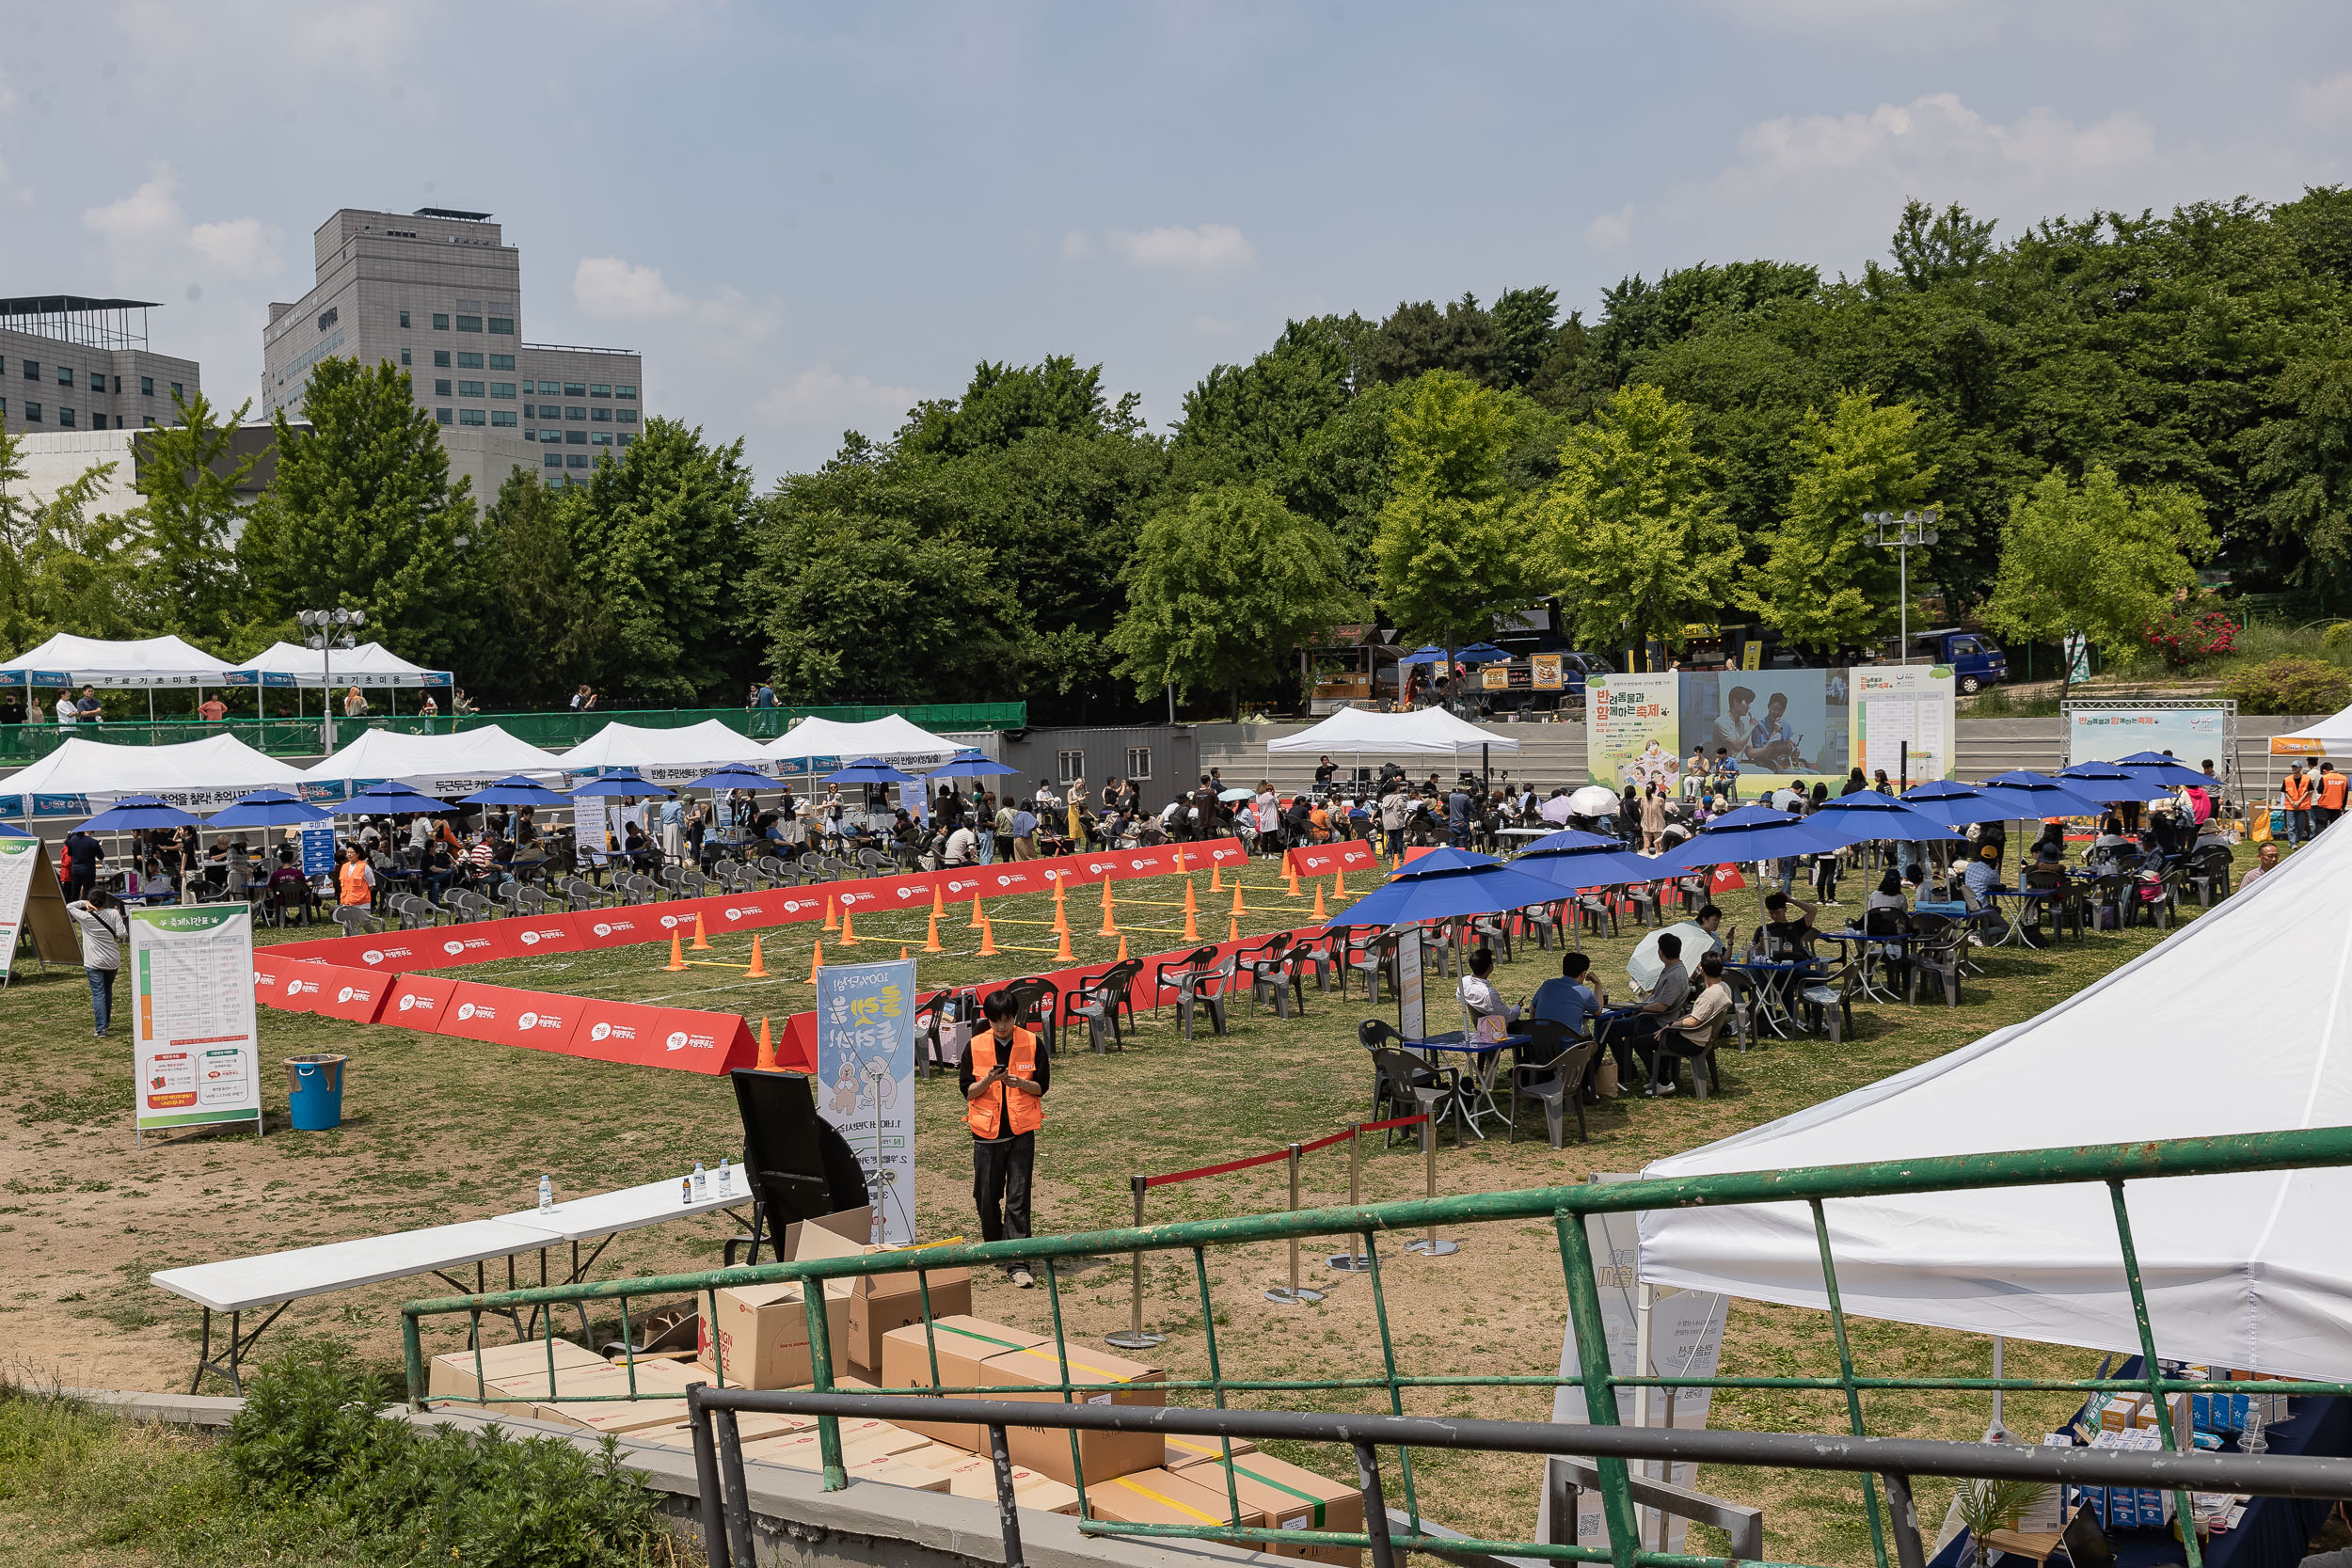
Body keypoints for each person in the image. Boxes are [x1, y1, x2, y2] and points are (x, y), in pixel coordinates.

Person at [962, 989, 1048, 1288]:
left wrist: (1020, 1082)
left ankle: (1018, 1262)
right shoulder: (974, 1046)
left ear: (1016, 1017)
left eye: (1008, 1019)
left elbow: (1042, 1087)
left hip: (1022, 1133)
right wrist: (988, 1080)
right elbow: (967, 1092)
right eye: (997, 1021)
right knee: (985, 1197)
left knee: (1018, 1199)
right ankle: (996, 1245)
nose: (1002, 1026)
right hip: (986, 1135)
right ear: (988, 1019)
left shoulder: (1032, 1042)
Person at [1651, 952, 1732, 1097]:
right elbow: (1697, 1016)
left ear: (1701, 968)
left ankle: (1663, 1082)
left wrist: (1670, 1025)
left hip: (1693, 1041)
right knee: (1661, 1034)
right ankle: (1666, 1077)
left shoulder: (1708, 996)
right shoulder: (1725, 987)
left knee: (1643, 1041)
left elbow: (1693, 1021)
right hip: (1707, 1038)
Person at [66, 889, 126, 1037]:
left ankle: (101, 1028)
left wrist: (84, 903)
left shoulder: (85, 916)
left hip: (93, 961)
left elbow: (69, 906)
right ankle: (106, 1023)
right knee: (107, 991)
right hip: (112, 960)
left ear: (90, 901)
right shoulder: (113, 913)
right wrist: (117, 913)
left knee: (98, 994)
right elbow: (121, 934)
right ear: (105, 900)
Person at [1530, 951, 1603, 1037]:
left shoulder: (1547, 985)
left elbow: (1532, 1009)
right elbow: (1598, 1011)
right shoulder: (1584, 992)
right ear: (1583, 974)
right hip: (1568, 1048)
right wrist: (1598, 984)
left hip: (1541, 1046)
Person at [1456, 947, 1520, 1036]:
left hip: (1482, 1028)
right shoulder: (1489, 994)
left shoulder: (1464, 981)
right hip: (1498, 1032)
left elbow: (1459, 996)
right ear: (1490, 967)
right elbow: (1509, 1017)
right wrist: (1518, 1007)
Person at [1961, 842, 2003, 909]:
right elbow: (1997, 886)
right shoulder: (1991, 873)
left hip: (1968, 902)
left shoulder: (1969, 866)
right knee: (1997, 910)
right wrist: (1997, 869)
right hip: (1982, 904)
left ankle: (1981, 919)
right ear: (1994, 859)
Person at [2283, 762, 2313, 847]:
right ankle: (2292, 842)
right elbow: (2285, 792)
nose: (2294, 769)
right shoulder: (2287, 779)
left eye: (2296, 767)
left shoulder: (2306, 779)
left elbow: (2308, 791)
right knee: (2291, 826)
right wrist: (2292, 802)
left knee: (2300, 826)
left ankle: (2296, 841)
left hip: (2302, 806)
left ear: (2300, 768)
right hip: (2290, 806)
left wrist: (2299, 801)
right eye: (2293, 767)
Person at [2319, 762, 2348, 832]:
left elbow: (2319, 790)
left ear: (2324, 771)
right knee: (2334, 828)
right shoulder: (2343, 778)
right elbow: (2345, 794)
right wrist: (2343, 806)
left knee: (2321, 826)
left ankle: (2320, 842)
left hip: (2324, 807)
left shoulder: (2324, 778)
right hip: (2337, 807)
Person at [1640, 782, 1666, 853]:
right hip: (1658, 825)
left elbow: (1642, 813)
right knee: (1659, 847)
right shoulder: (1660, 799)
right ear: (1655, 789)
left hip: (1646, 825)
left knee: (1646, 846)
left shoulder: (1643, 799)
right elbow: (1663, 813)